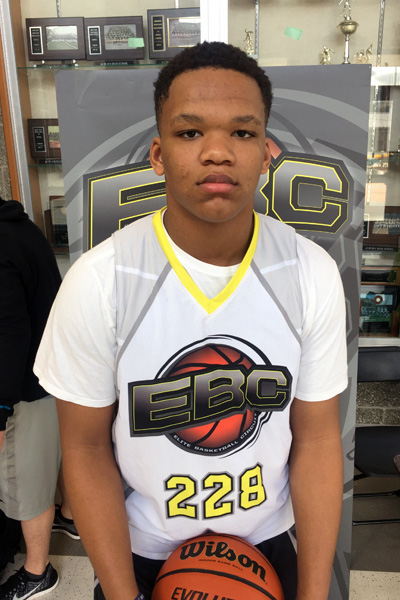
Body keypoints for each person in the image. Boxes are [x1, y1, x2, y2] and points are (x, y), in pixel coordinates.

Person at [34, 41, 348, 600]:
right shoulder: (101, 280)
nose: (217, 152)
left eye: (242, 132)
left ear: (266, 153)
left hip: (268, 543)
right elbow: (84, 450)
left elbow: (319, 439)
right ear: (158, 154)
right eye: (190, 132)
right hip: (141, 551)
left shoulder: (308, 272)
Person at [0, 197, 62, 599]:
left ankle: (38, 572)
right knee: (53, 458)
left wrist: (0, 410)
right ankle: (69, 516)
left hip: (27, 386)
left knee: (26, 481)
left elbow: (9, 333)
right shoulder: (20, 228)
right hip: (54, 370)